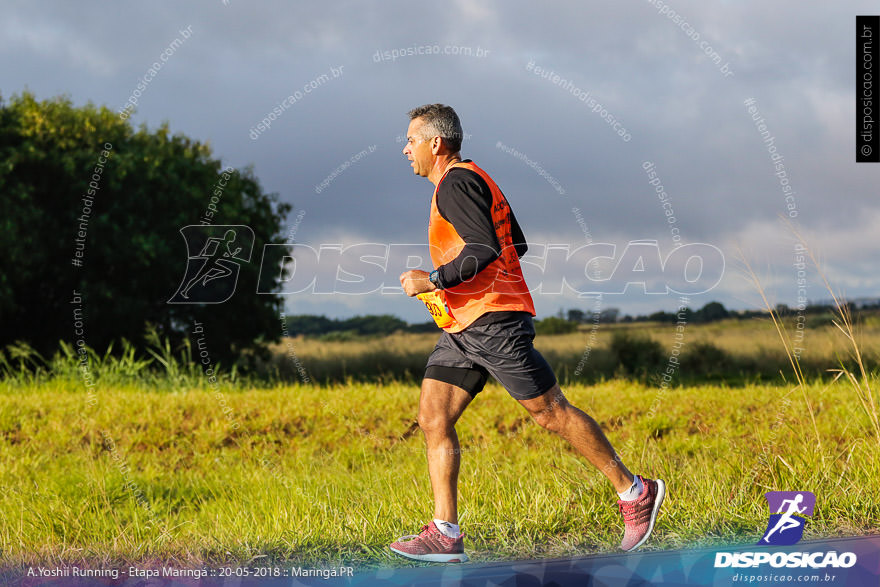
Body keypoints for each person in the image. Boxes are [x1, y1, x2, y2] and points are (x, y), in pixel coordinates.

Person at [390, 104, 665, 563]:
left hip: (493, 322)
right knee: (433, 418)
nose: (406, 149)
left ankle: (634, 491)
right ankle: (445, 531)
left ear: (435, 144)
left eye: (411, 140)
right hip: (462, 325)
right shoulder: (475, 178)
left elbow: (485, 247)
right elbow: (515, 242)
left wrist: (432, 280)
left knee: (550, 412)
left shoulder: (456, 183)